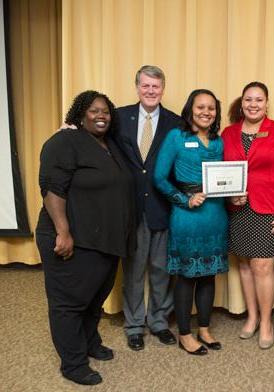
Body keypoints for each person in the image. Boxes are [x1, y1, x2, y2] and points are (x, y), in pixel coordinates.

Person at [36, 91, 135, 385]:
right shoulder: (64, 141)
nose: (101, 115)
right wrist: (63, 232)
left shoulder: (108, 144)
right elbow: (53, 188)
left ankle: (90, 342)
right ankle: (73, 363)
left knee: (94, 299)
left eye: (105, 111)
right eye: (93, 110)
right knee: (69, 302)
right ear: (80, 114)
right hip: (73, 238)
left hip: (104, 239)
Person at [222, 81, 274, 349]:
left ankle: (267, 322)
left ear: (267, 103)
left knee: (263, 266)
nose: (253, 104)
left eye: (258, 100)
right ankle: (252, 317)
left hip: (269, 209)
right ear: (242, 103)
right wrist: (230, 195)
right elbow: (223, 171)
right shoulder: (229, 133)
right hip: (238, 209)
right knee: (244, 264)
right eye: (248, 100)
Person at [154, 89, 228, 355]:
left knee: (208, 276)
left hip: (216, 216)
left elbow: (224, 178)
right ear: (190, 109)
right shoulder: (176, 137)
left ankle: (204, 329)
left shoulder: (218, 142)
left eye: (211, 108)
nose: (206, 112)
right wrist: (184, 200)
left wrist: (236, 193)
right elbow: (159, 178)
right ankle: (185, 334)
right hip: (187, 217)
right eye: (200, 107)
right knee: (186, 277)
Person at [115, 65, 182, 351]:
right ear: (137, 87)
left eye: (156, 86)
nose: (151, 91)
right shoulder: (118, 118)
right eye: (146, 86)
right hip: (130, 208)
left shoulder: (176, 122)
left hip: (162, 207)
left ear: (162, 89)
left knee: (160, 270)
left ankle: (158, 321)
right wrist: (70, 129)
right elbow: (95, 139)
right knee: (133, 271)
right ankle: (134, 326)